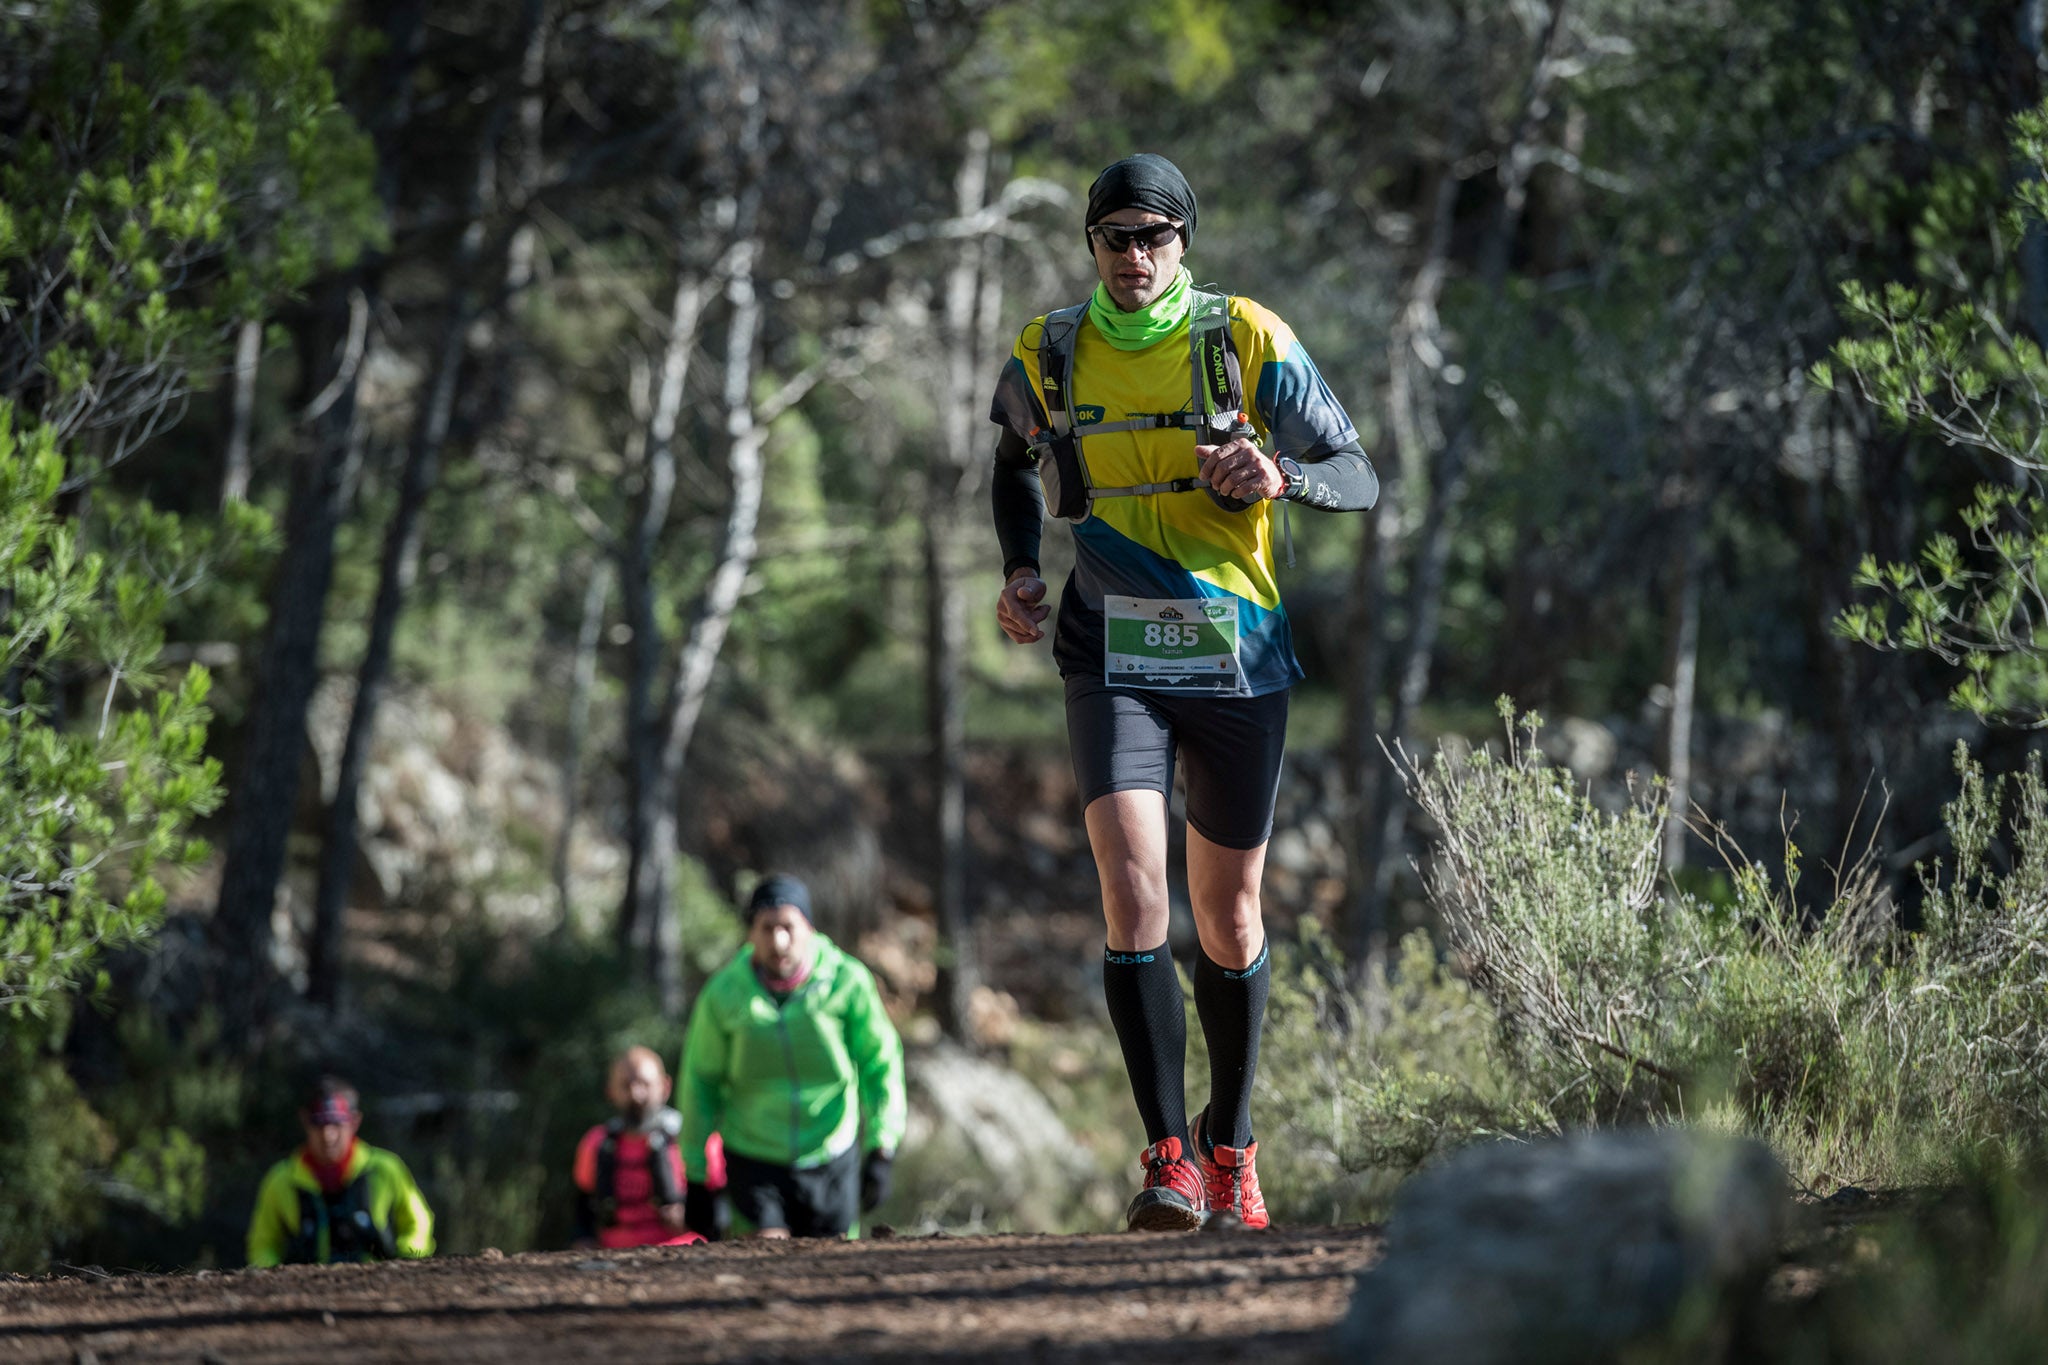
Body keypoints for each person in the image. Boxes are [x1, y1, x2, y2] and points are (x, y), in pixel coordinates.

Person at [988, 152, 1377, 1232]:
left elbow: (1357, 472)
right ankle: (1165, 1157)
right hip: (1108, 647)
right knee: (1130, 893)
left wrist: (1279, 475)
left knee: (1229, 913)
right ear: (1090, 246)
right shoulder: (1050, 349)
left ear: (1182, 242)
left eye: (1153, 234)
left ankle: (1231, 1149)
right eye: (1113, 236)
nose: (1132, 255)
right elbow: (1012, 464)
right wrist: (1020, 571)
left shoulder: (1244, 337)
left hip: (1232, 653)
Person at [677, 874, 907, 1239]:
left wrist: (882, 1146)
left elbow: (880, 1063)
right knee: (766, 1259)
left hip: (831, 1151)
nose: (778, 941)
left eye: (788, 926)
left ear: (810, 928)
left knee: (831, 1273)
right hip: (753, 1155)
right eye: (767, 928)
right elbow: (700, 1080)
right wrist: (695, 1172)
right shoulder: (723, 994)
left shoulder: (847, 982)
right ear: (751, 933)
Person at [246, 1076, 435, 1266]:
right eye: (319, 1123)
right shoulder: (281, 1180)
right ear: (304, 1120)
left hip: (378, 1285)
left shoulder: (385, 1169)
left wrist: (409, 1261)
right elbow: (263, 1243)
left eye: (337, 1123)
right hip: (303, 1289)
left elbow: (418, 1222)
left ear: (354, 1121)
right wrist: (272, 1273)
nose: (328, 1136)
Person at [571, 1045, 727, 1248]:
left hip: (685, 1256)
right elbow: (583, 1212)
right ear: (610, 1092)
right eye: (626, 1086)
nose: (636, 1095)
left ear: (665, 1087)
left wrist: (690, 1216)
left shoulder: (697, 1140)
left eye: (645, 1084)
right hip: (612, 1260)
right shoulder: (596, 1143)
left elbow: (722, 1212)